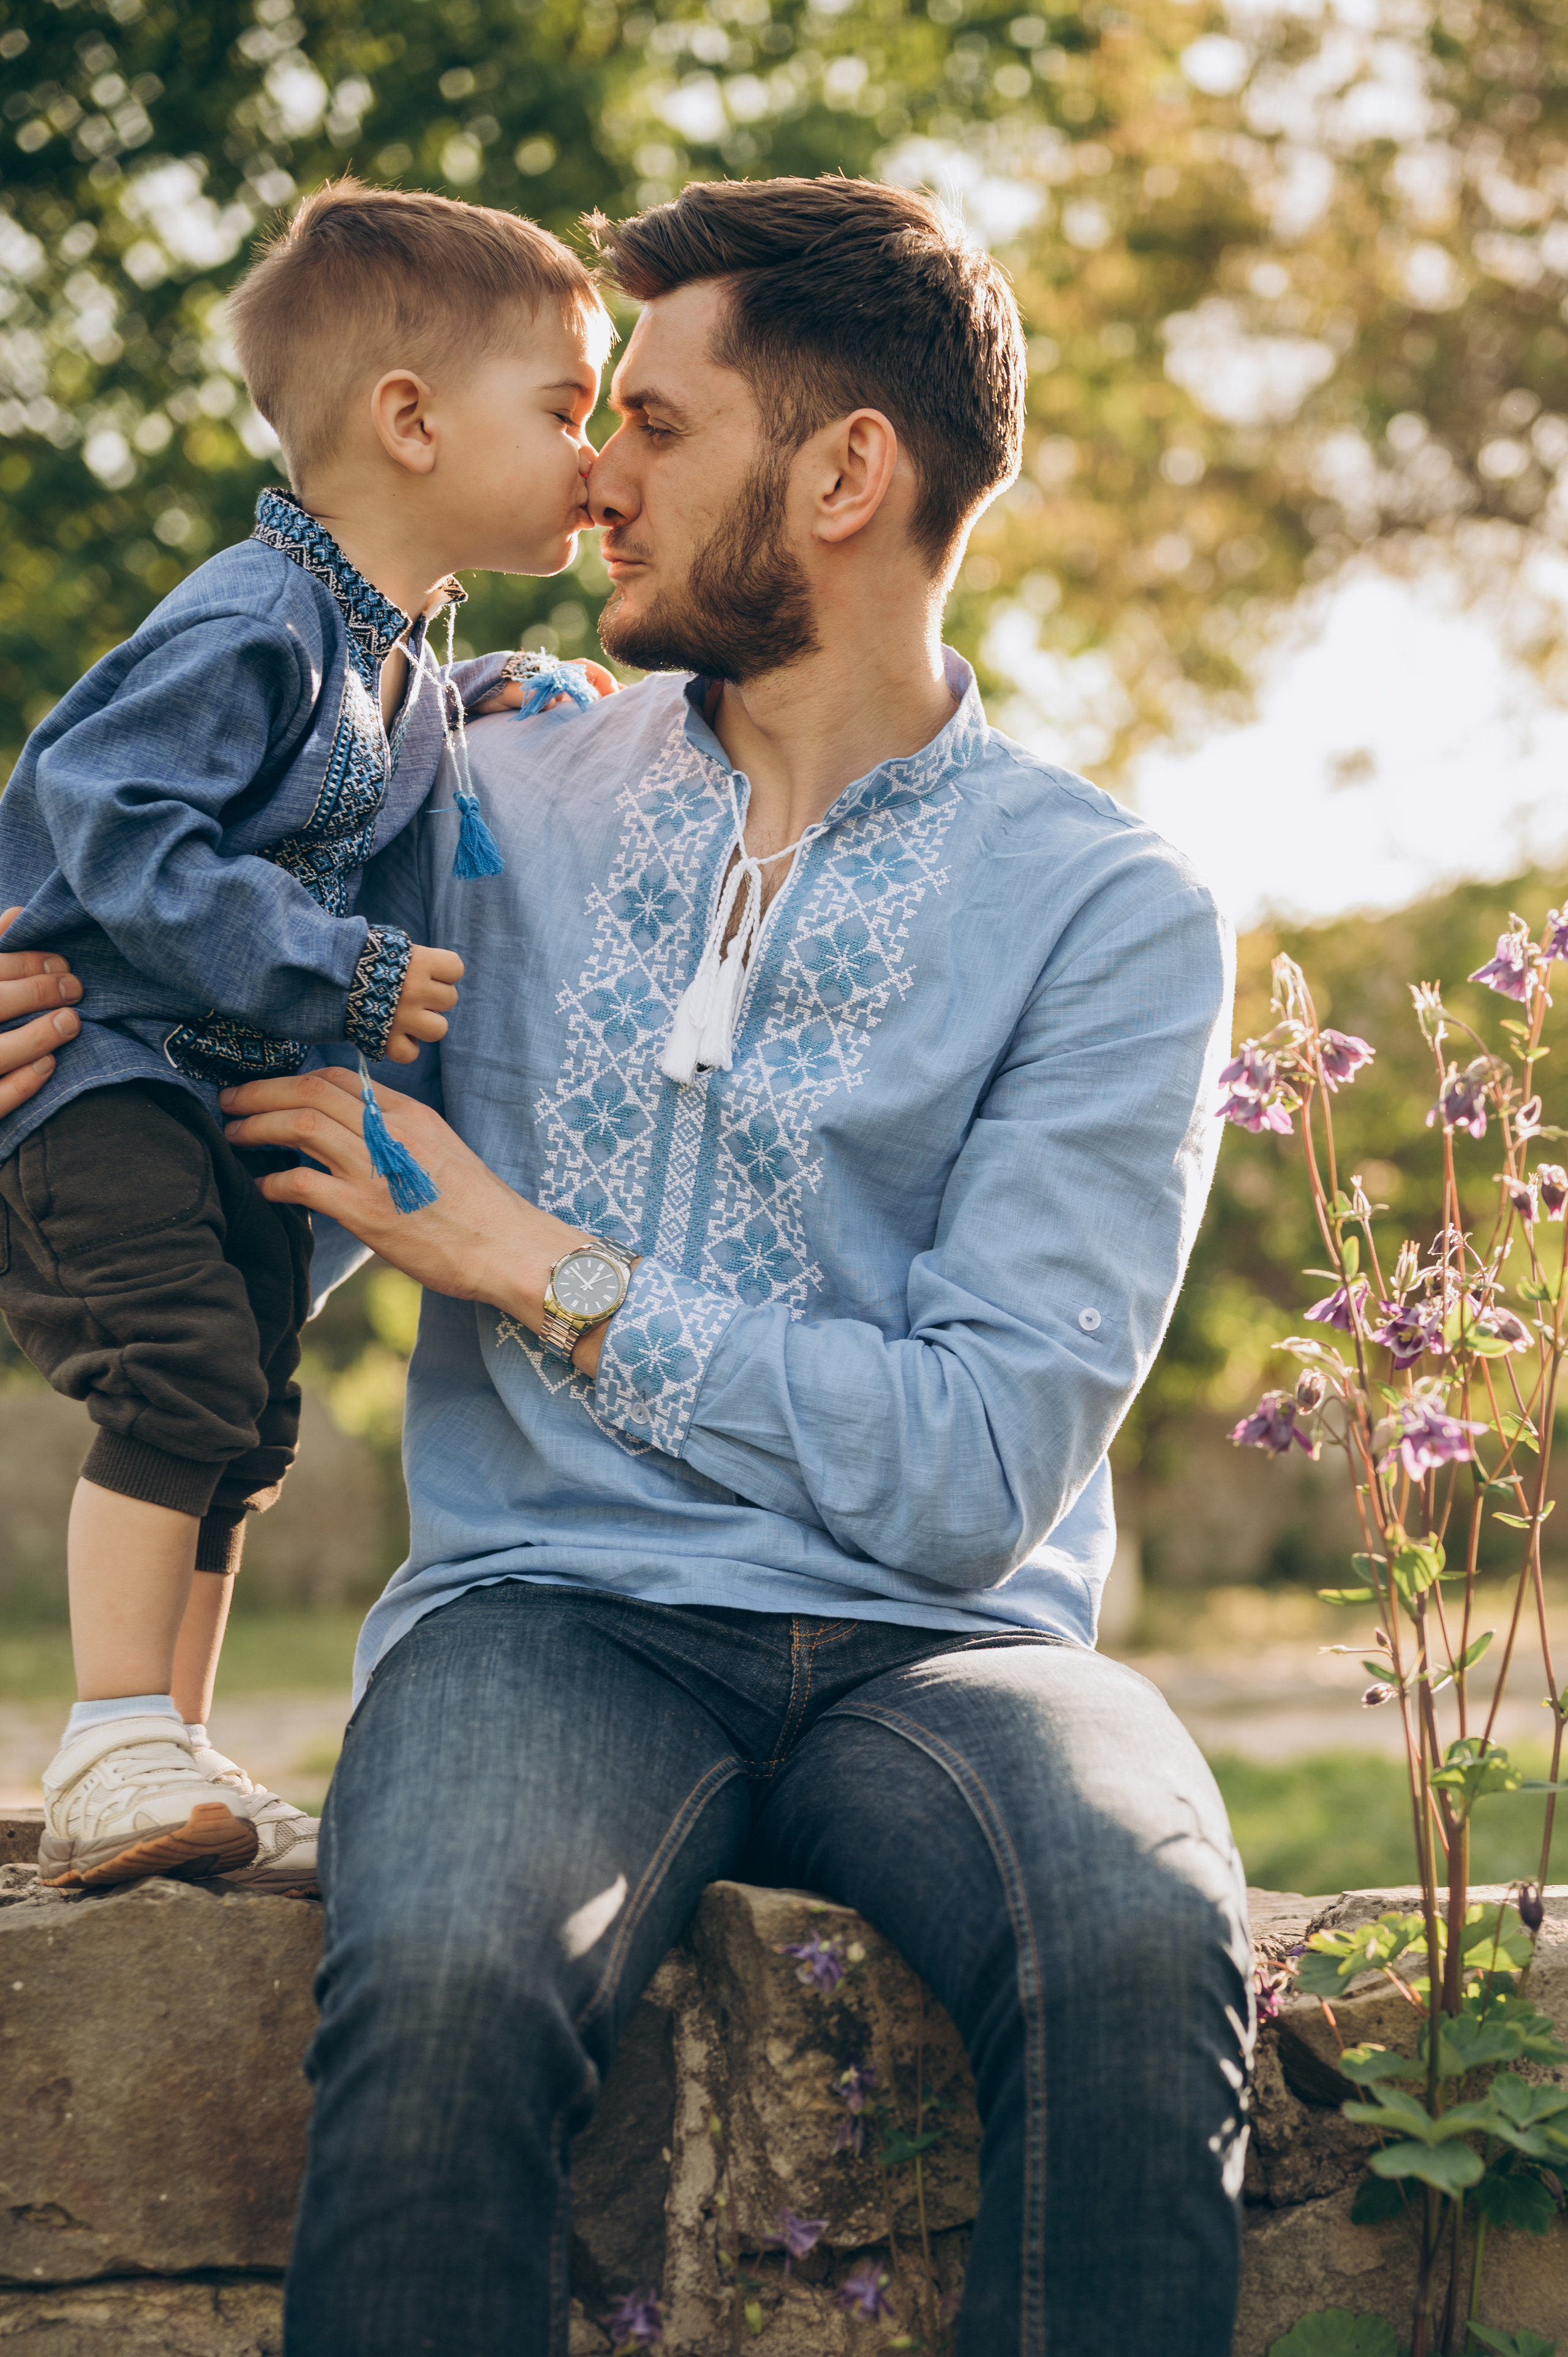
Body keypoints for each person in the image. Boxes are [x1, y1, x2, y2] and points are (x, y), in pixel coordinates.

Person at [12, 176, 1253, 2353]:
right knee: (445, 1970)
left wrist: (533, 1264)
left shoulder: (1107, 911)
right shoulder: (468, 792)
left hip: (945, 1645)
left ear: (848, 472)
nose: (594, 474)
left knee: (1142, 1935)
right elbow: (193, 1086)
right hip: (544, 1614)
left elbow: (979, 1470)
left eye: (657, 428)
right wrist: (46, 1050)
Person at [0, 180, 612, 1896]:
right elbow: (108, 817)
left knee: (249, 1416)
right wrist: (335, 969)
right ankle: (111, 1730)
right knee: (180, 1369)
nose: (593, 453)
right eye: (564, 407)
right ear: (408, 419)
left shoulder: (391, 646)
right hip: (100, 1072)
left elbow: (371, 755)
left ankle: (167, 1754)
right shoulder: (251, 616)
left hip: (214, 1098)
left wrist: (490, 706)